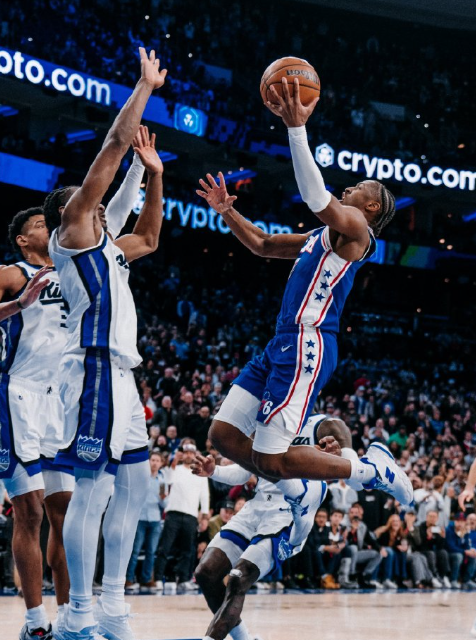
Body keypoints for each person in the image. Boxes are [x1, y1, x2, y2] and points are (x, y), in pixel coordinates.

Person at [196, 77, 412, 548]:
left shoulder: (358, 231)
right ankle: (294, 484)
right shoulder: (321, 236)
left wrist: (297, 129)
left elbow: (317, 200)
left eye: (357, 188)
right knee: (224, 435)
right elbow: (263, 244)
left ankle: (367, 470)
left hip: (308, 343)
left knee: (271, 460)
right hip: (281, 342)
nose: (348, 188)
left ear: (370, 205)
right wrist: (227, 211)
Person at [43, 48, 167, 640]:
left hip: (122, 378)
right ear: (70, 211)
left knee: (135, 490)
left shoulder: (110, 250)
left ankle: (113, 607)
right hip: (92, 369)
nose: (93, 202)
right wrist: (143, 89)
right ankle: (77, 614)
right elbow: (113, 147)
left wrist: (155, 174)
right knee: (91, 493)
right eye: (85, 199)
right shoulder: (73, 233)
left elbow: (150, 236)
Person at [192, 416, 347, 640]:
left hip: (288, 513)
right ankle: (245, 638)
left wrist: (342, 456)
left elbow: (344, 455)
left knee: (238, 577)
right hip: (256, 508)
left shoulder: (322, 425)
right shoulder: (268, 420)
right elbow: (245, 470)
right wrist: (214, 471)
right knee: (205, 573)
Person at [0, 207, 73, 640]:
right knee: (28, 511)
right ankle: (34, 623)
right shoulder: (13, 272)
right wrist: (19, 303)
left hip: (60, 401)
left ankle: (70, 617)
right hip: (19, 395)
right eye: (41, 224)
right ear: (23, 240)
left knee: (65, 515)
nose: (51, 226)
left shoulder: (74, 267)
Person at [154, 439, 209, 593]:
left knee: (188, 550)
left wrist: (205, 517)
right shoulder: (175, 469)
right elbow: (167, 480)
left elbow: (205, 496)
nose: (189, 455)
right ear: (182, 455)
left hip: (191, 514)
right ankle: (158, 578)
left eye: (191, 453)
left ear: (195, 455)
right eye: (186, 453)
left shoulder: (201, 473)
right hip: (173, 512)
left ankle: (184, 579)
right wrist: (174, 461)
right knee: (165, 547)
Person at [125, 451, 167, 593]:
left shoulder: (162, 481)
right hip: (140, 518)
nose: (154, 463)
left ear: (161, 464)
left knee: (151, 551)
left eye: (157, 460)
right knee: (135, 550)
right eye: (152, 460)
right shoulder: (141, 478)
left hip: (155, 519)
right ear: (149, 461)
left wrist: (163, 498)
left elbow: (164, 504)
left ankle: (147, 579)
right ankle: (128, 579)